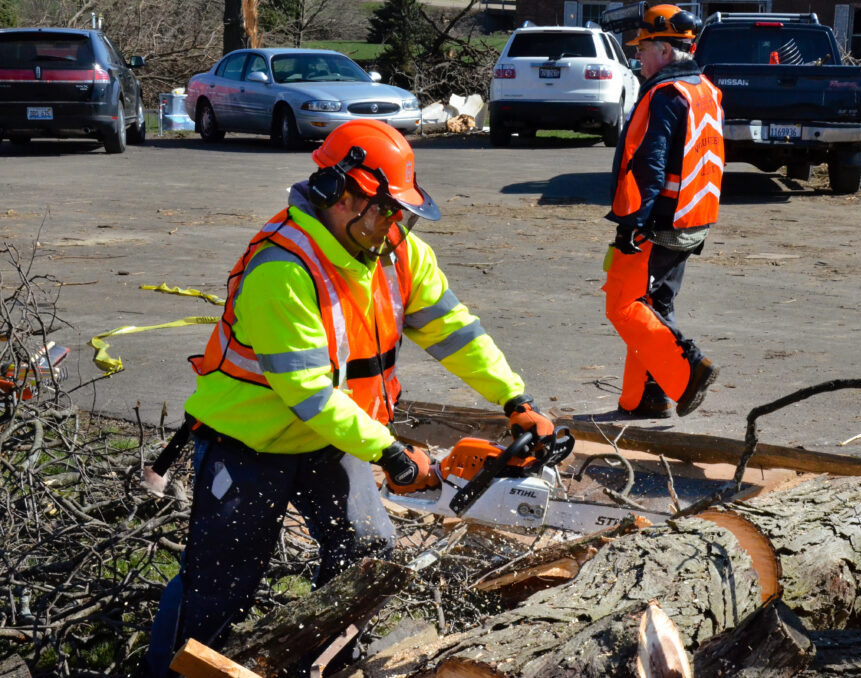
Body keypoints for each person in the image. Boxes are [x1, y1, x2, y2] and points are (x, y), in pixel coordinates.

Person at [144, 119, 554, 677]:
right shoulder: (283, 268)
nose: (395, 223)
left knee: (368, 558)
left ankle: (324, 667)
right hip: (248, 444)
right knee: (219, 588)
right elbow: (308, 393)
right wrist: (390, 453)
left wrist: (514, 399)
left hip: (335, 440)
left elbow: (455, 332)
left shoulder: (399, 255)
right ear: (340, 192)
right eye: (384, 208)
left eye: (400, 211)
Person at [604, 4, 725, 419]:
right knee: (654, 306)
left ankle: (685, 371)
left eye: (644, 48)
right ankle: (644, 399)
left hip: (659, 223)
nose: (637, 56)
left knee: (623, 304)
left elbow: (649, 166)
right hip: (694, 219)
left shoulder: (666, 95)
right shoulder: (704, 89)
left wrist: (633, 225)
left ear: (667, 50)